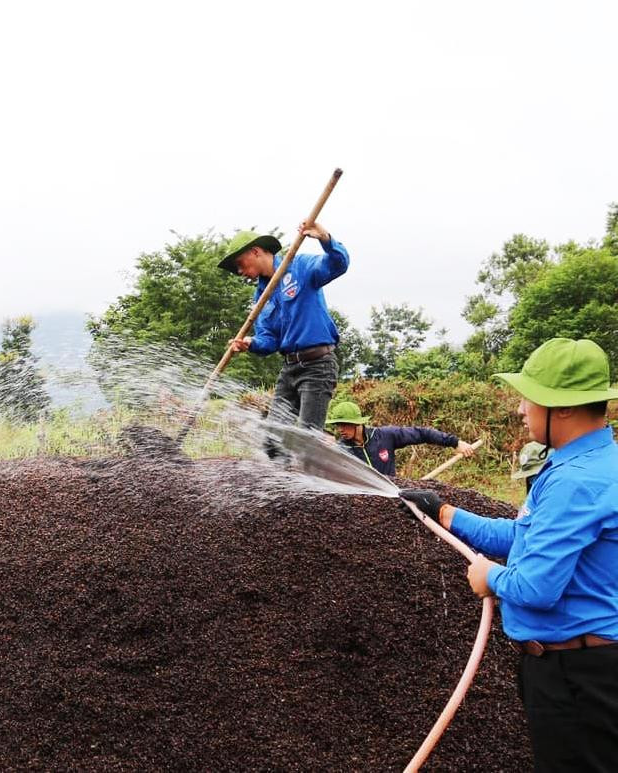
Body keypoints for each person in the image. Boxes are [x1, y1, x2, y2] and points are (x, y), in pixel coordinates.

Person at [400, 337, 618, 770]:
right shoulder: (594, 463)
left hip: (577, 675)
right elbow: (524, 537)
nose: (520, 409)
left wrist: (489, 577)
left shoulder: (575, 482)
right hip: (583, 665)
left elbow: (536, 588)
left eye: (528, 398)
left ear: (564, 408)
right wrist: (445, 514)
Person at [223, 223, 350, 431]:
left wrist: (325, 238)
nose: (239, 271)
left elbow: (338, 264)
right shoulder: (261, 296)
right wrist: (251, 343)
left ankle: (311, 453)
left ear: (255, 251)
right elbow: (269, 339)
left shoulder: (300, 267)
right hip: (289, 368)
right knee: (273, 440)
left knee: (307, 438)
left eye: (239, 263)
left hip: (318, 365)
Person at [324, 399, 477, 476]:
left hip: (391, 497)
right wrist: (325, 452)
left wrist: (455, 442)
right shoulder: (341, 449)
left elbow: (421, 433)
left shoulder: (384, 436)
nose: (340, 429)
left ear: (358, 423)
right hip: (363, 505)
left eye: (345, 424)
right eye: (338, 425)